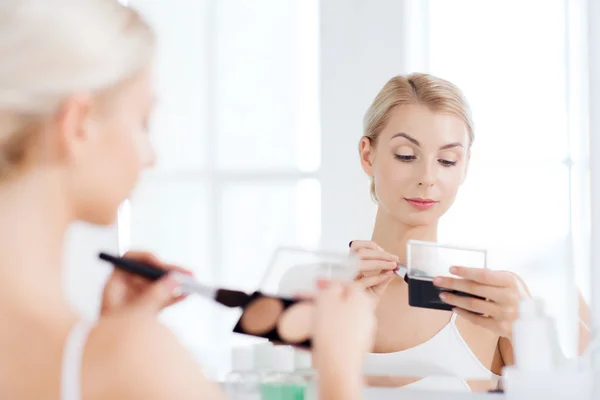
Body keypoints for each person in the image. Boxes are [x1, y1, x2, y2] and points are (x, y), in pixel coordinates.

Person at [0, 1, 375, 399]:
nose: (150, 156)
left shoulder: (108, 356)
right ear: (78, 126)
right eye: (143, 121)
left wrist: (106, 337)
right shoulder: (135, 356)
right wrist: (339, 370)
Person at [350, 73, 591, 391]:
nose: (427, 177)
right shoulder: (315, 291)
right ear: (368, 155)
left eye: (447, 160)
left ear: (464, 166)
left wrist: (530, 332)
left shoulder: (503, 295)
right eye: (406, 155)